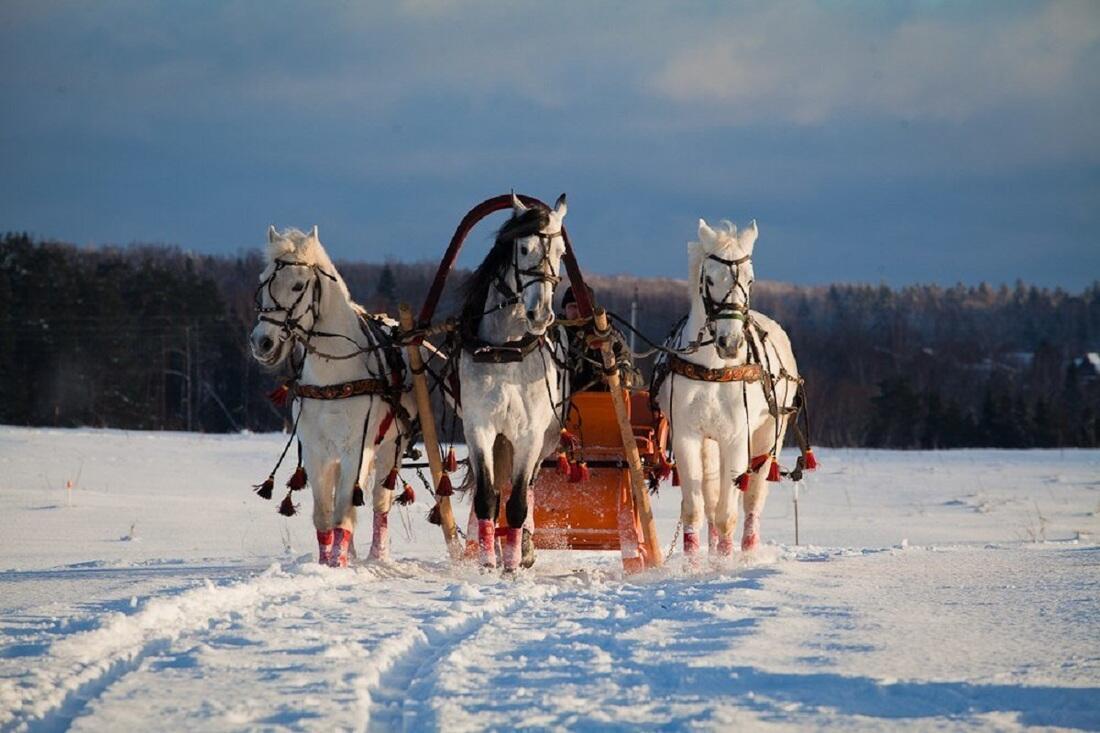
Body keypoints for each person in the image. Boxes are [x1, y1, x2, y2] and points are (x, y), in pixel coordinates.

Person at [559, 285, 640, 391]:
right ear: (565, 309)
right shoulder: (553, 335)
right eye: (573, 307)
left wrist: (617, 374)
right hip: (557, 402)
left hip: (601, 402)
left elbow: (635, 377)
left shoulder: (610, 337)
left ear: (592, 310)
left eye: (582, 307)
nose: (578, 312)